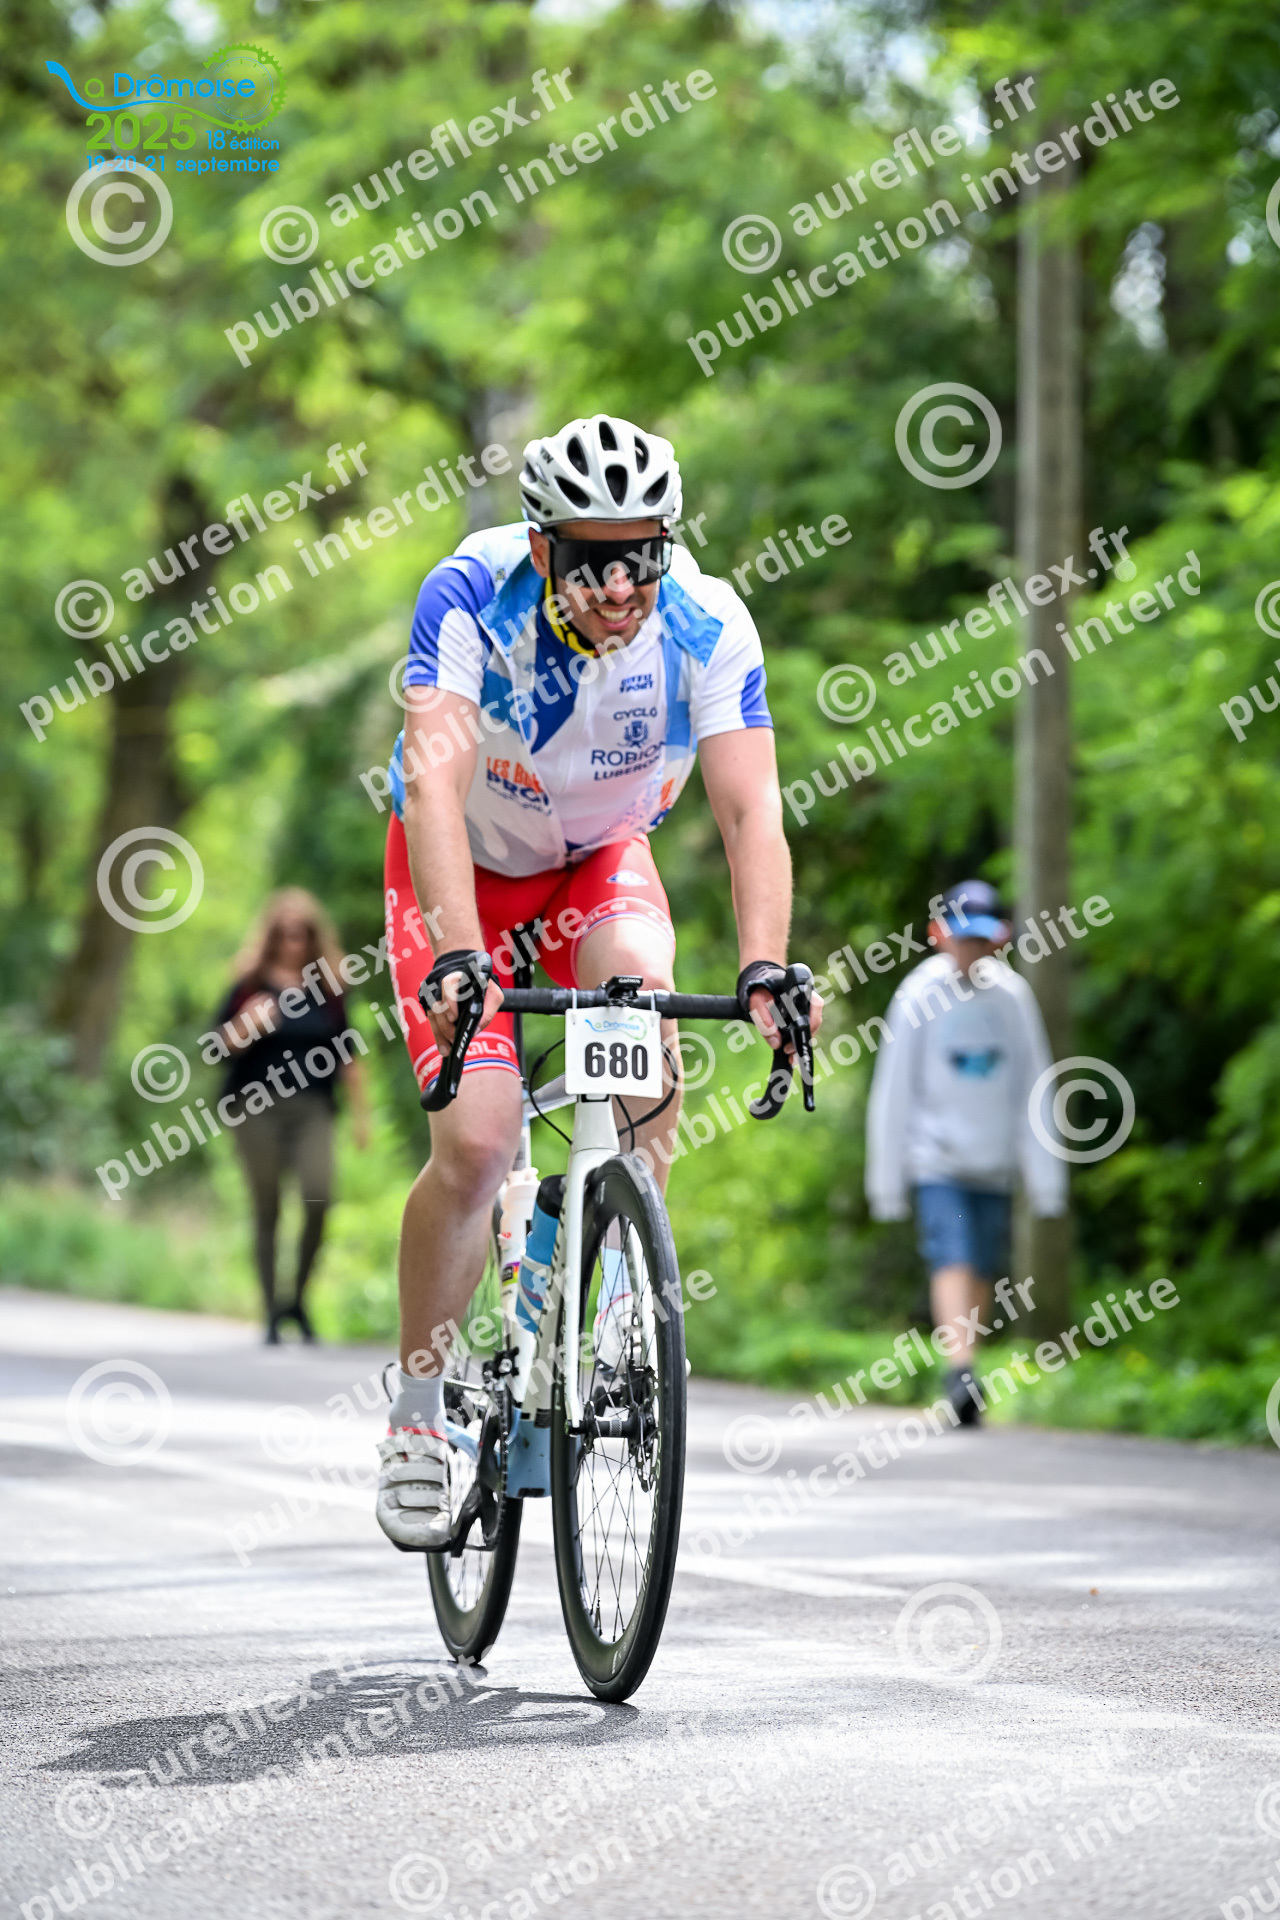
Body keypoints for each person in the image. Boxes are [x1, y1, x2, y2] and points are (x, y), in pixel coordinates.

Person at [376, 413, 822, 1548]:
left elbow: (749, 809)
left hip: (598, 860)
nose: (619, 586)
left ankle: (620, 1297)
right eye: (590, 559)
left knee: (643, 1008)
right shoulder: (471, 595)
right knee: (477, 1144)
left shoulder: (708, 621)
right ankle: (419, 1414)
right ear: (541, 549)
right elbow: (433, 791)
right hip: (464, 872)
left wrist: (765, 966)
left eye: (641, 556)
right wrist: (460, 953)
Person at [864, 879, 1066, 1424]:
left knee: (981, 1267)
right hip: (938, 1162)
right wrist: (886, 1182)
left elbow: (1036, 1084)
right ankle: (961, 1372)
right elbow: (894, 1089)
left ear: (1001, 940)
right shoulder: (918, 994)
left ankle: (966, 1360)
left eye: (982, 940)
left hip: (994, 1163)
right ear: (939, 935)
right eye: (964, 938)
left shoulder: (1012, 998)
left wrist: (1046, 1179)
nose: (972, 950)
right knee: (952, 1256)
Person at [216, 888, 370, 1344]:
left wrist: (362, 1117)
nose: (292, 941)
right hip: (254, 1106)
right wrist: (246, 1026)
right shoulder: (249, 984)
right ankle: (270, 1313)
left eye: (301, 933)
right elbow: (216, 1048)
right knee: (267, 1206)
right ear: (271, 936)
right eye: (284, 933)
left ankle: (297, 1300)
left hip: (312, 1109)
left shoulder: (328, 990)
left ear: (313, 936)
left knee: (318, 1197)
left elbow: (349, 1054)